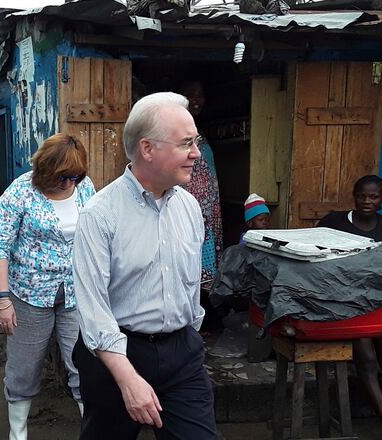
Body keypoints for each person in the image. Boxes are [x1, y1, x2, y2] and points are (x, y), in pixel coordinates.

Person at [72, 92, 217, 440]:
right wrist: (128, 379)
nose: (196, 153)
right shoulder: (100, 214)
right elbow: (93, 310)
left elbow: (189, 286)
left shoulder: (189, 208)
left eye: (195, 142)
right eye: (186, 143)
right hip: (115, 355)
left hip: (181, 353)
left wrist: (188, 336)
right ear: (148, 149)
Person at [0, 133, 95, 439]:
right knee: (24, 367)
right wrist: (3, 300)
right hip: (29, 296)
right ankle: (18, 433)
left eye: (75, 176)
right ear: (46, 170)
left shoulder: (85, 188)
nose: (69, 184)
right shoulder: (20, 192)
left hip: (76, 292)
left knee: (83, 364)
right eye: (63, 177)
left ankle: (91, 429)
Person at [317, 175, 382, 440]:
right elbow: (316, 253)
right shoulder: (334, 221)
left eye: (374, 197)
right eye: (362, 196)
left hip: (381, 300)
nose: (367, 201)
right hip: (348, 303)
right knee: (366, 360)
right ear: (354, 196)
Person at [179, 80, 224, 332]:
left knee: (204, 260)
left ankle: (205, 313)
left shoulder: (198, 133)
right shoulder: (178, 134)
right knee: (187, 261)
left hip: (206, 210)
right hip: (188, 210)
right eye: (191, 94)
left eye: (201, 95)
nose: (197, 100)